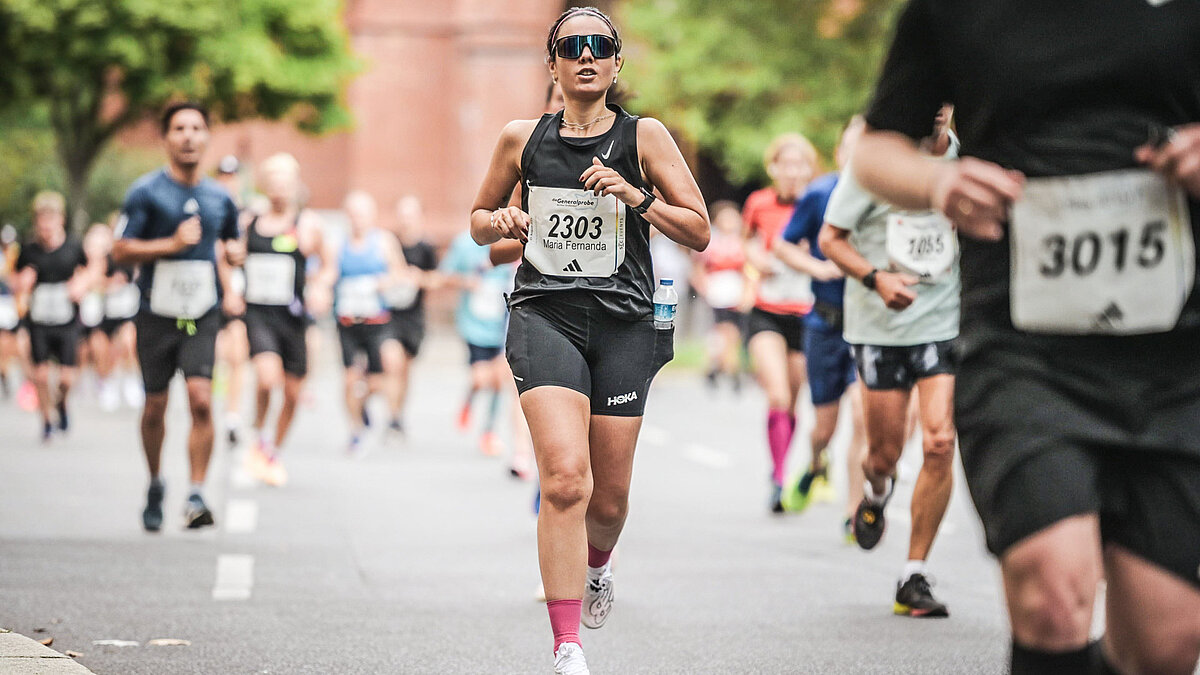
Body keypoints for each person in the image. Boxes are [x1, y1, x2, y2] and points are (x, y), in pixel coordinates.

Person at [854, 3, 1200, 671]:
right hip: (1024, 347)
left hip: (1178, 356)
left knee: (1167, 643)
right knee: (1051, 591)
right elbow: (874, 147)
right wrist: (938, 179)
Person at [470, 7, 709, 673]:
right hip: (544, 315)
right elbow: (478, 221)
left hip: (624, 324)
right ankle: (567, 643)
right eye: (571, 45)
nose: (585, 55)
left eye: (599, 46)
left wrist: (635, 196)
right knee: (566, 479)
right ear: (552, 64)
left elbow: (699, 229)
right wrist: (503, 220)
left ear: (615, 63)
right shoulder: (522, 139)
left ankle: (599, 563)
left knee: (608, 500)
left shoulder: (645, 136)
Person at [820, 106, 959, 618]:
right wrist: (876, 278)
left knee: (940, 441)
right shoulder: (874, 165)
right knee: (883, 456)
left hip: (943, 321)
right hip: (879, 328)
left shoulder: (969, 161)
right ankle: (876, 494)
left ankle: (913, 573)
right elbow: (830, 239)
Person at [112, 102, 245, 532]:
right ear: (166, 138)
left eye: (196, 128)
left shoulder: (220, 198)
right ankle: (155, 482)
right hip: (156, 313)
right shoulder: (146, 192)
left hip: (200, 313)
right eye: (179, 128)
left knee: (201, 398)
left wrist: (235, 255)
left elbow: (233, 243)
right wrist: (169, 245)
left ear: (207, 137)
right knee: (155, 406)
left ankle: (196, 493)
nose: (188, 136)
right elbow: (120, 249)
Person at [776, 117, 868, 534]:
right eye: (851, 148)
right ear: (839, 153)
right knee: (824, 429)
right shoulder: (820, 193)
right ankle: (815, 464)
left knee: (862, 414)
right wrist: (820, 268)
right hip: (826, 325)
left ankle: (854, 511)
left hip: (868, 326)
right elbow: (783, 245)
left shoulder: (885, 199)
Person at [241, 153, 332, 486]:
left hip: (293, 317)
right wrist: (231, 285)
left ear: (295, 186)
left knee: (293, 393)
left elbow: (328, 265)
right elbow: (228, 256)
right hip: (258, 313)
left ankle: (272, 451)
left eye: (285, 183)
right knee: (267, 379)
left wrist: (320, 286)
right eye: (273, 182)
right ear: (265, 186)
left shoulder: (308, 224)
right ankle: (259, 432)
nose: (279, 189)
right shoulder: (249, 221)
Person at [742, 132, 819, 512]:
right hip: (766, 311)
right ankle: (778, 476)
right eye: (785, 165)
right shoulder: (759, 203)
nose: (792, 172)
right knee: (778, 396)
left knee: (793, 402)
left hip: (806, 315)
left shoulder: (819, 204)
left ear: (809, 169)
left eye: (799, 165)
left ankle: (788, 464)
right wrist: (757, 258)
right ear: (773, 168)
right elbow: (746, 242)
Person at [326, 190, 408, 455]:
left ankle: (382, 414)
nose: (356, 219)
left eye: (361, 214)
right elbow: (328, 273)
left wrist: (386, 281)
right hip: (348, 321)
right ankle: (355, 430)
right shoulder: (337, 244)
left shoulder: (383, 241)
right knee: (350, 378)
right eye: (351, 214)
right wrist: (321, 286)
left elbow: (400, 272)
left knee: (379, 377)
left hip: (377, 319)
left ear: (371, 216)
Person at [13, 191, 91, 441]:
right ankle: (46, 420)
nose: (45, 226)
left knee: (66, 378)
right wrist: (22, 281)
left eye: (50, 220)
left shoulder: (73, 246)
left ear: (61, 220)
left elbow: (91, 269)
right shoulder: (28, 249)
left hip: (66, 320)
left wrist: (81, 284)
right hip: (39, 320)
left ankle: (62, 404)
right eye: (41, 220)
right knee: (41, 375)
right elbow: (13, 278)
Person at [441, 229, 516, 457]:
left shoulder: (511, 242)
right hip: (474, 327)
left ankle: (488, 432)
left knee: (498, 380)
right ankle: (469, 398)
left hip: (502, 327)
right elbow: (444, 275)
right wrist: (466, 281)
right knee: (481, 378)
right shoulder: (464, 243)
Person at [383, 195, 438, 436]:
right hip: (389, 315)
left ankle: (398, 415)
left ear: (420, 217)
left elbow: (436, 279)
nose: (406, 220)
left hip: (413, 317)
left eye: (411, 215)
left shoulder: (426, 247)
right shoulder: (389, 244)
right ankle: (391, 415)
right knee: (391, 362)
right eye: (403, 215)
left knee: (404, 369)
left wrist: (419, 277)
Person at [213, 154, 251, 447]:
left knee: (237, 354)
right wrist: (227, 290)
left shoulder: (249, 214)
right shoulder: (211, 210)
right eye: (224, 176)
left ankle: (232, 416)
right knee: (216, 353)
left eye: (233, 176)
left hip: (240, 292)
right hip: (213, 292)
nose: (229, 181)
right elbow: (217, 252)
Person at [692, 200, 748, 391]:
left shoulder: (742, 242)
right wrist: (704, 288)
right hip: (717, 292)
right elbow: (698, 269)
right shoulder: (711, 243)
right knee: (724, 330)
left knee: (732, 332)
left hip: (735, 292)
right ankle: (729, 367)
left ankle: (720, 366)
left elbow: (748, 270)